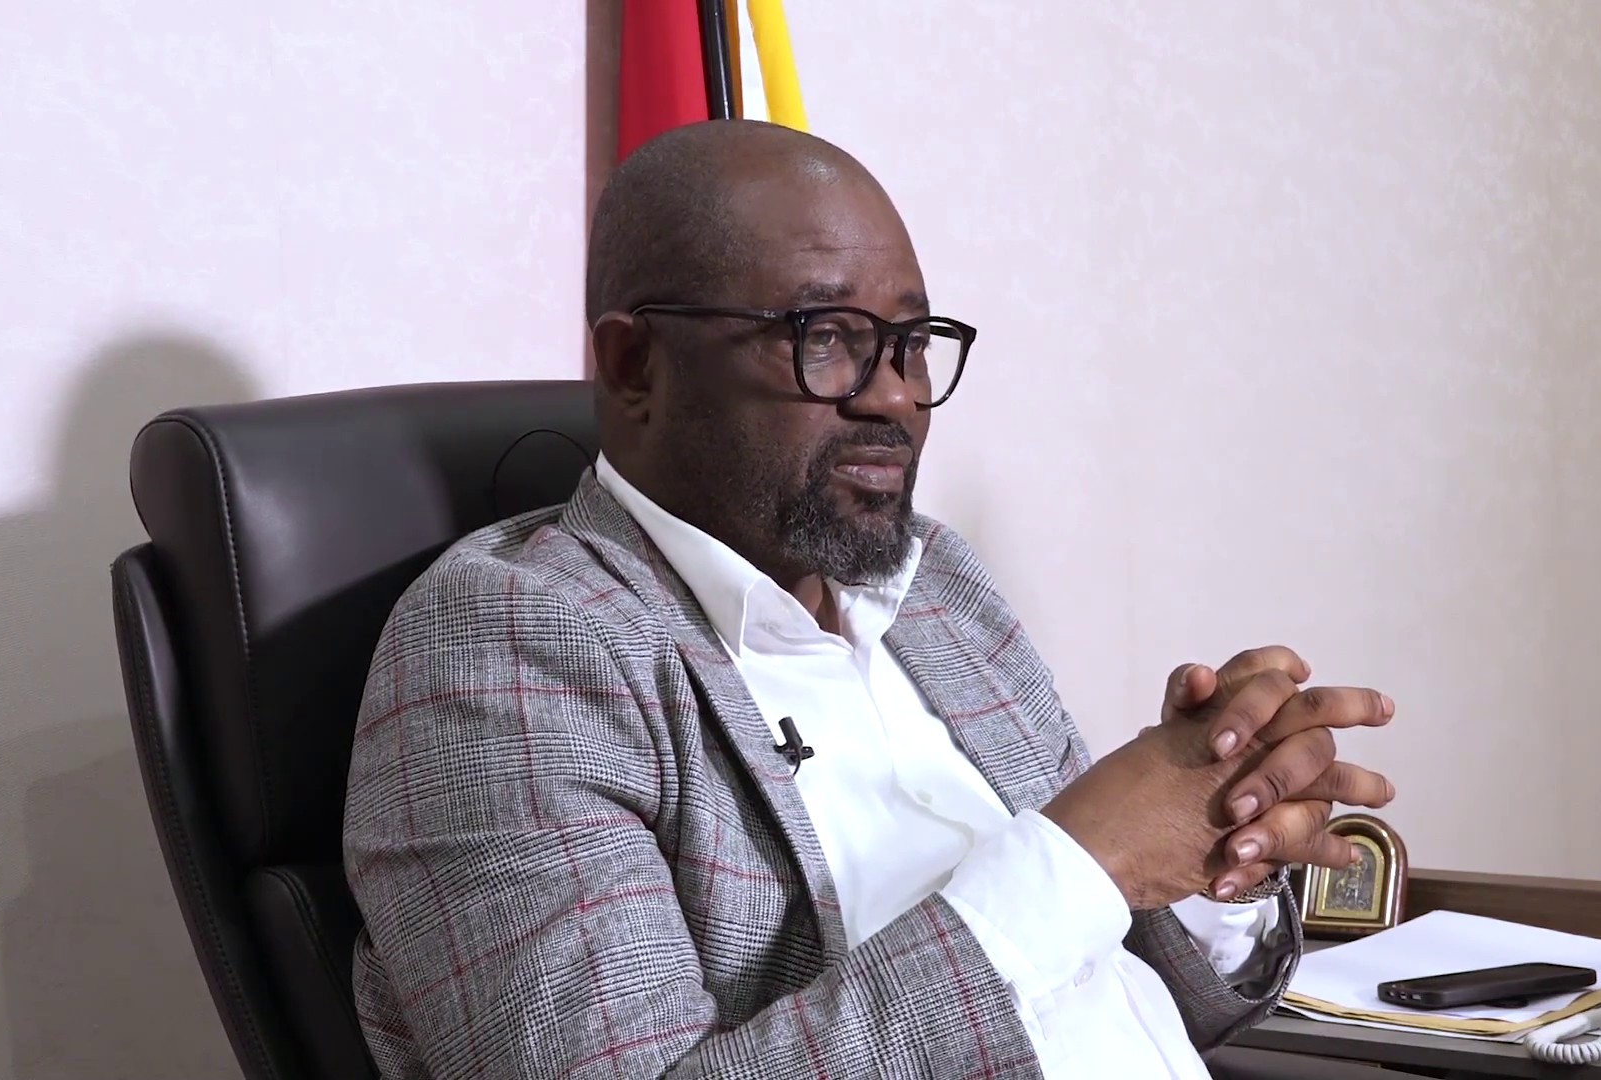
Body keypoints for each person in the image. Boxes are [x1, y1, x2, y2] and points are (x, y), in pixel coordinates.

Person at [342, 119, 1398, 1080]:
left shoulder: (939, 585)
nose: (894, 394)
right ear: (634, 366)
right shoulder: (511, 646)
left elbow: (1170, 997)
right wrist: (1087, 861)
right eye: (827, 337)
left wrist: (1221, 842)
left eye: (910, 342)